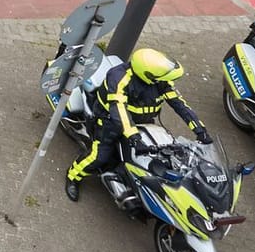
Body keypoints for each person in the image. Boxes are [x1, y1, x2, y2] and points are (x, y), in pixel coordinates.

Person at [65, 47, 207, 202]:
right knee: (100, 156)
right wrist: (133, 137)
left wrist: (199, 129)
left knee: (161, 155)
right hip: (109, 122)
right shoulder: (119, 78)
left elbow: (180, 105)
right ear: (148, 75)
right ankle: (73, 176)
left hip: (142, 123)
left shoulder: (160, 81)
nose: (166, 82)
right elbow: (118, 110)